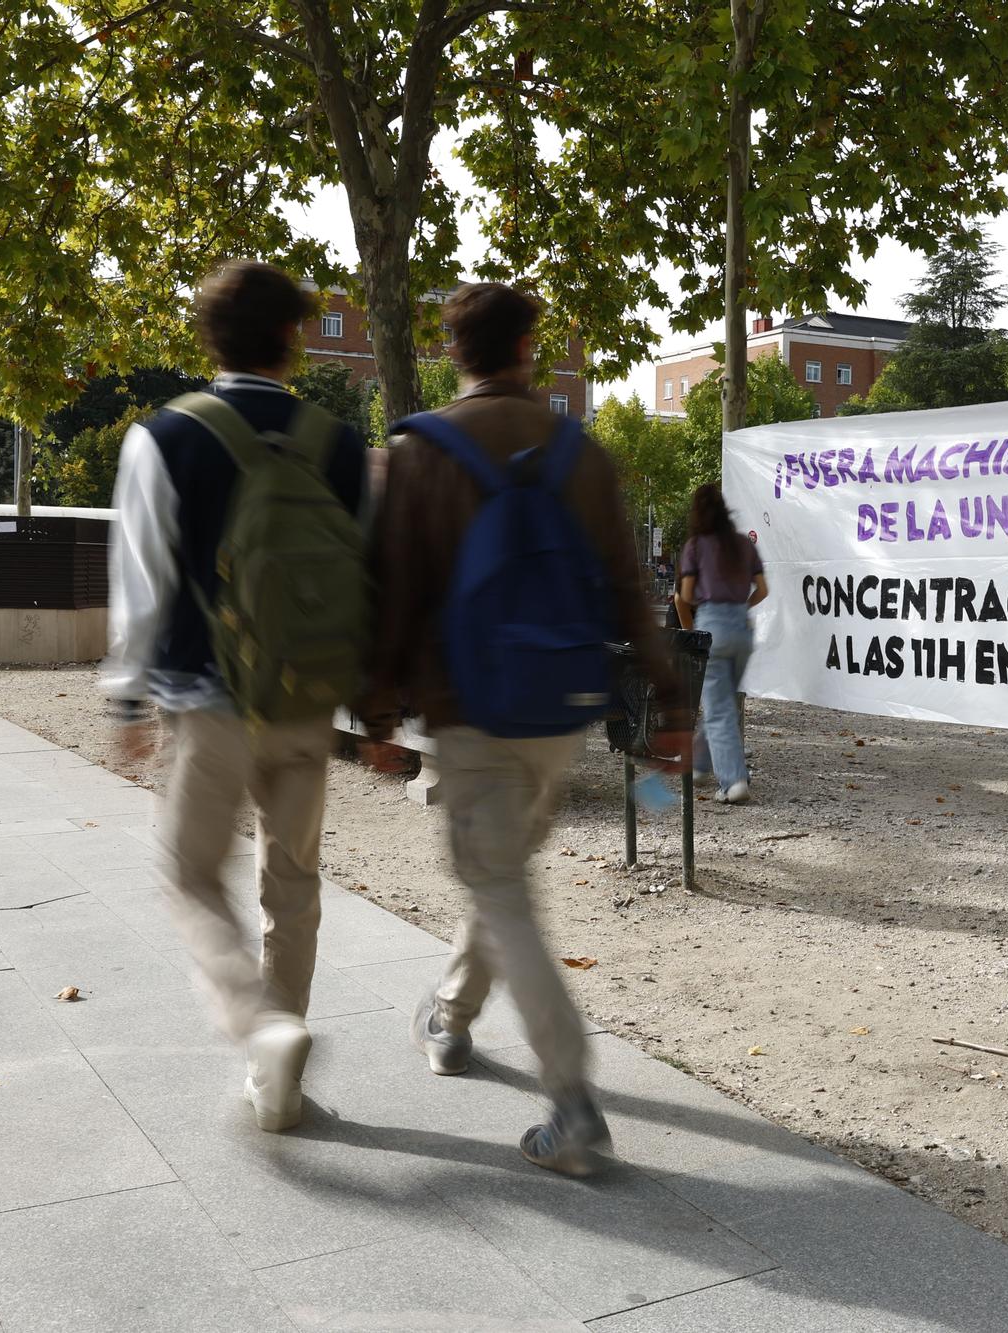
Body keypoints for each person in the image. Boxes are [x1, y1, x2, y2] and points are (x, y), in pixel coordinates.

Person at [360, 281, 687, 1175]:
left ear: (452, 350)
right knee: (497, 874)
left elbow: (391, 596)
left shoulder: (418, 451)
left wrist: (376, 711)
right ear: (527, 347)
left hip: (471, 713)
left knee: (503, 891)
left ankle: (573, 1099)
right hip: (562, 711)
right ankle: (452, 1014)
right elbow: (631, 588)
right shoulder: (582, 454)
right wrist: (671, 698)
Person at [101, 261, 371, 1129]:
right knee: (292, 885)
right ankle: (276, 1074)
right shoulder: (338, 439)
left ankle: (263, 1029)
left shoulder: (166, 435)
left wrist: (125, 697)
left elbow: (139, 579)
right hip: (304, 703)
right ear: (294, 339)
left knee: (187, 873)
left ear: (207, 338)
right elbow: (365, 577)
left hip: (208, 702)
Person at [674, 483, 768, 804]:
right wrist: (739, 606)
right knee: (722, 704)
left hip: (711, 628)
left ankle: (733, 782)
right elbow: (763, 590)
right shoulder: (743, 545)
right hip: (742, 629)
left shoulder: (695, 546)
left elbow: (685, 596)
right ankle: (698, 766)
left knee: (719, 711)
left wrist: (707, 602)